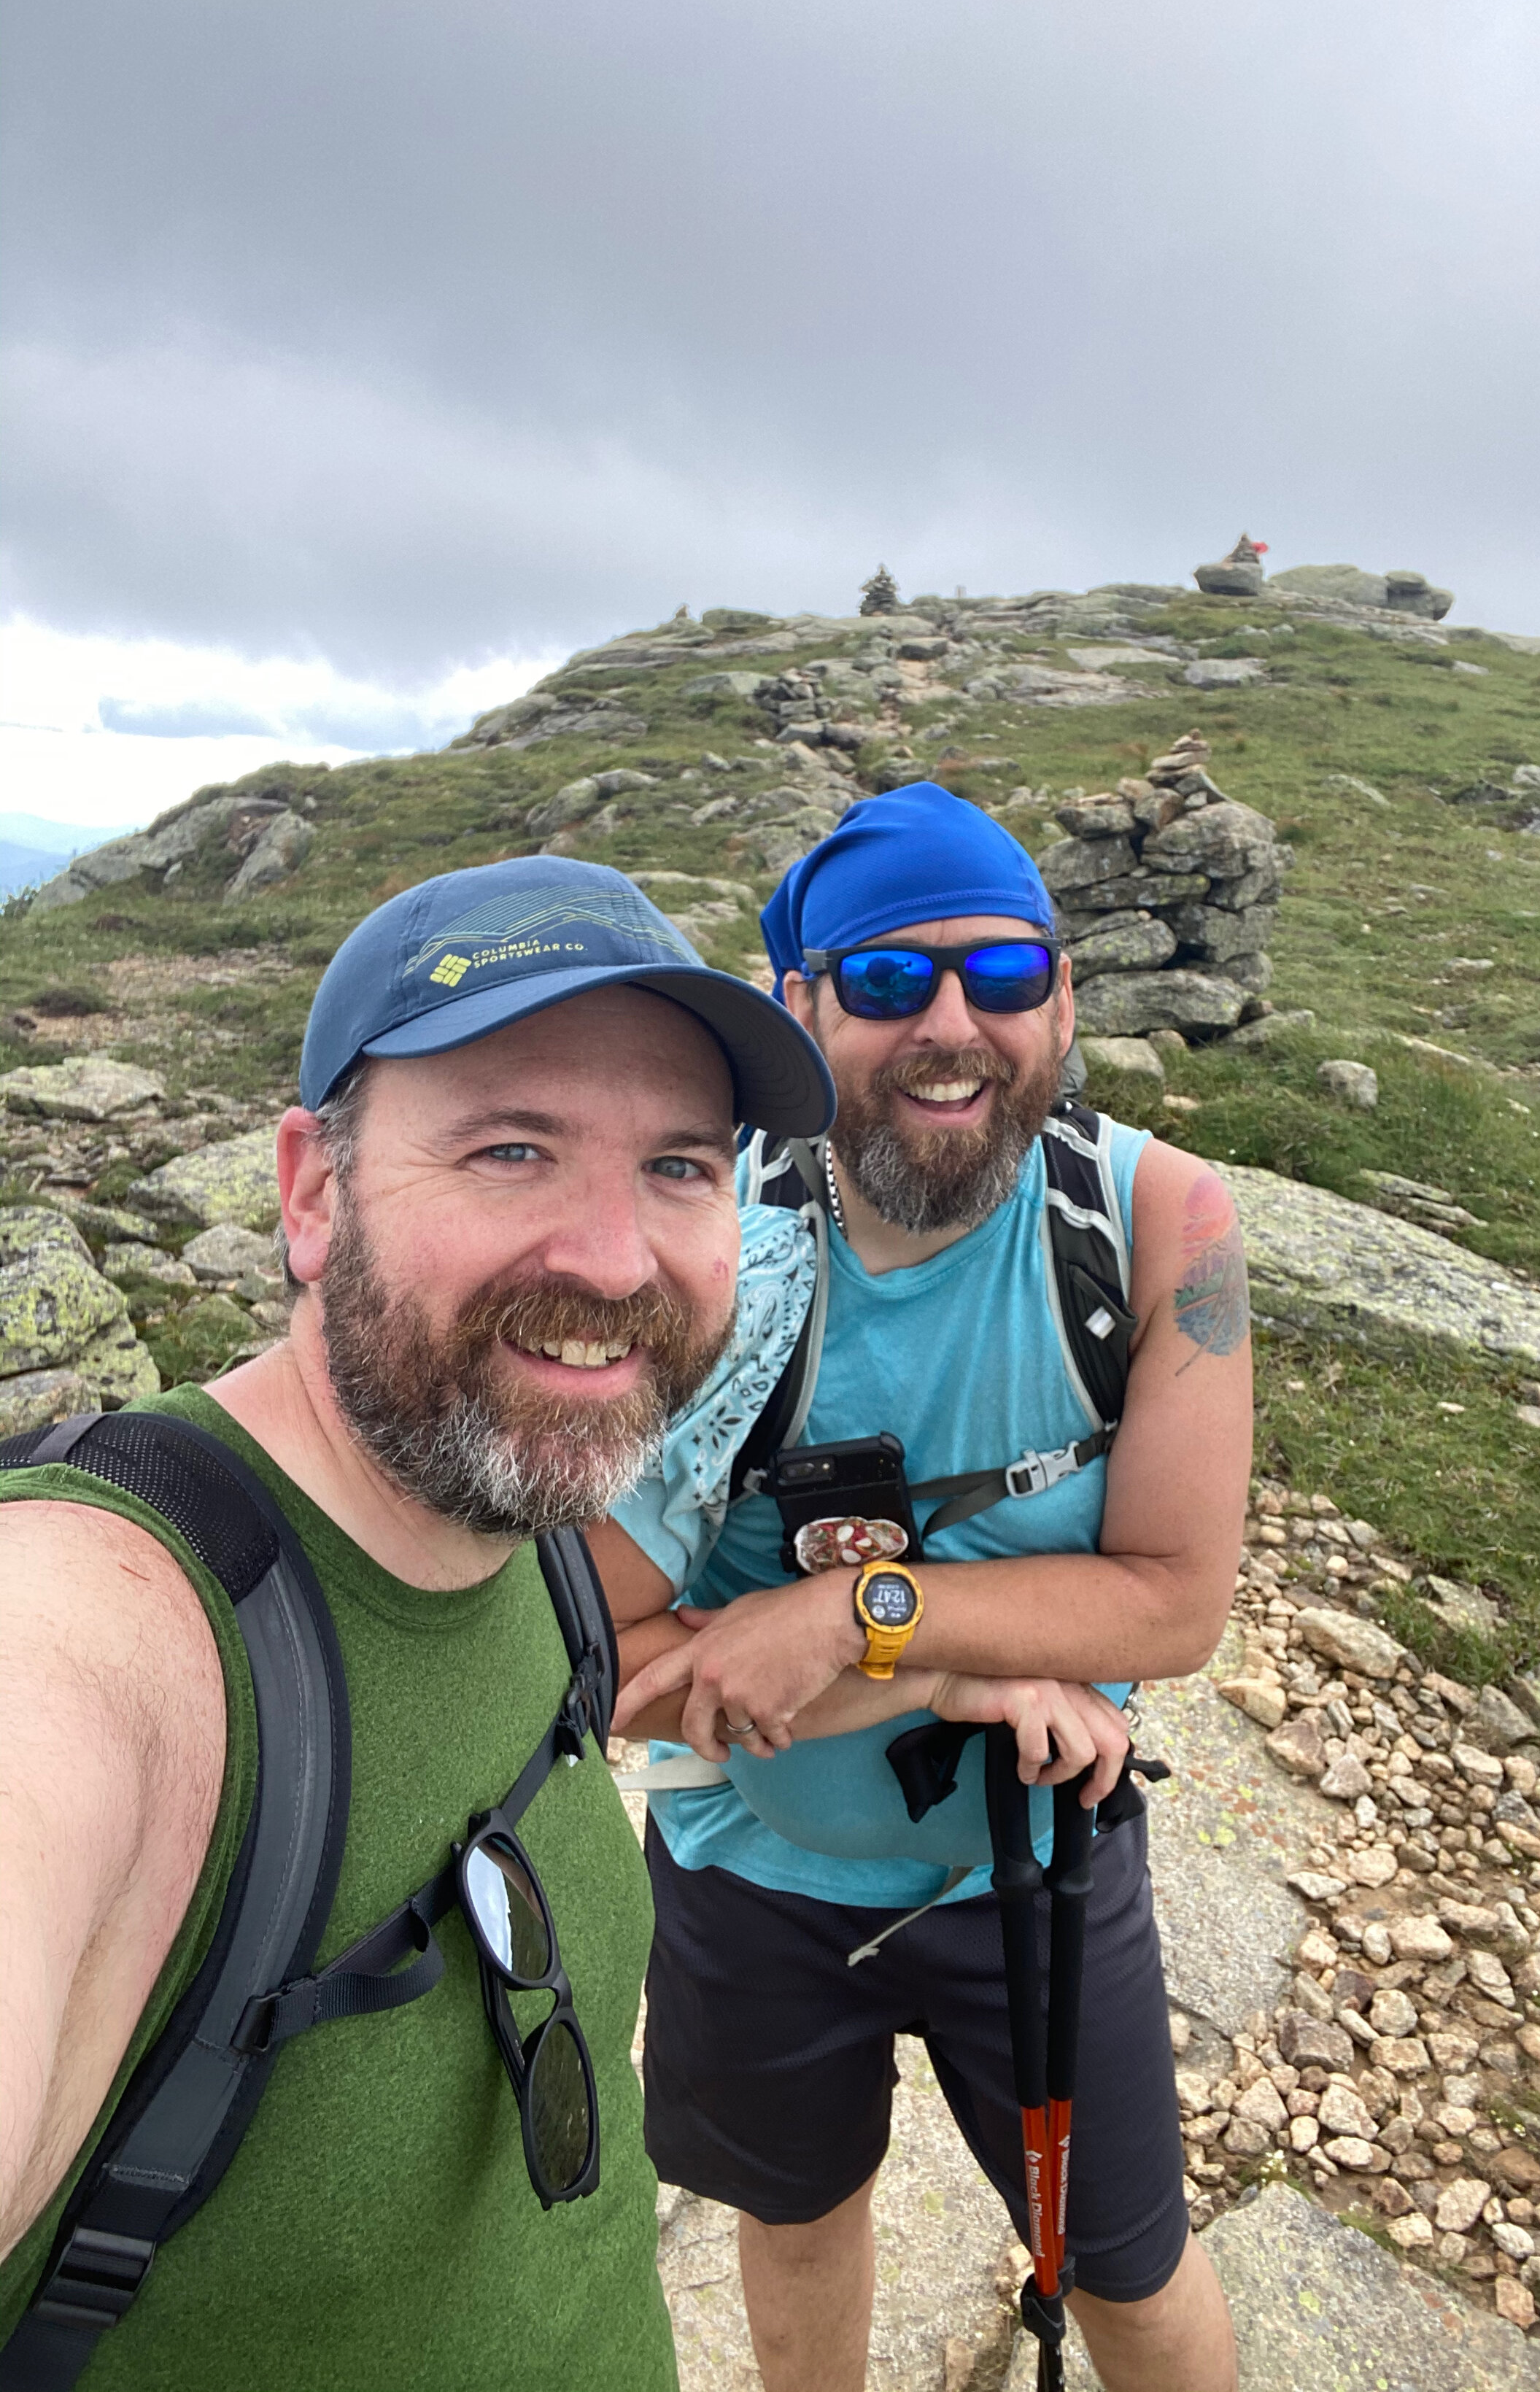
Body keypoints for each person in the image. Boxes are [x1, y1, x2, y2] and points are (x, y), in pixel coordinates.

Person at [0, 858, 848, 2391]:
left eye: (678, 1165)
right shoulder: (101, 1625)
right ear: (313, 1192)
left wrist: (979, 1657)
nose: (612, 1258)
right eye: (510, 1147)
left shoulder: (539, 1546)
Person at [604, 787, 1253, 2392]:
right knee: (796, 2211)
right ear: (792, 1003)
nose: (954, 1027)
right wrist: (957, 1672)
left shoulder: (1171, 1226)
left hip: (1030, 1862)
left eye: (1008, 974)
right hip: (747, 1868)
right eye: (890, 981)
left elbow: (1172, 1601)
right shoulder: (707, 1257)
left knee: (1122, 2267)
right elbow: (597, 1655)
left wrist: (843, 1617)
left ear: (1066, 1002)